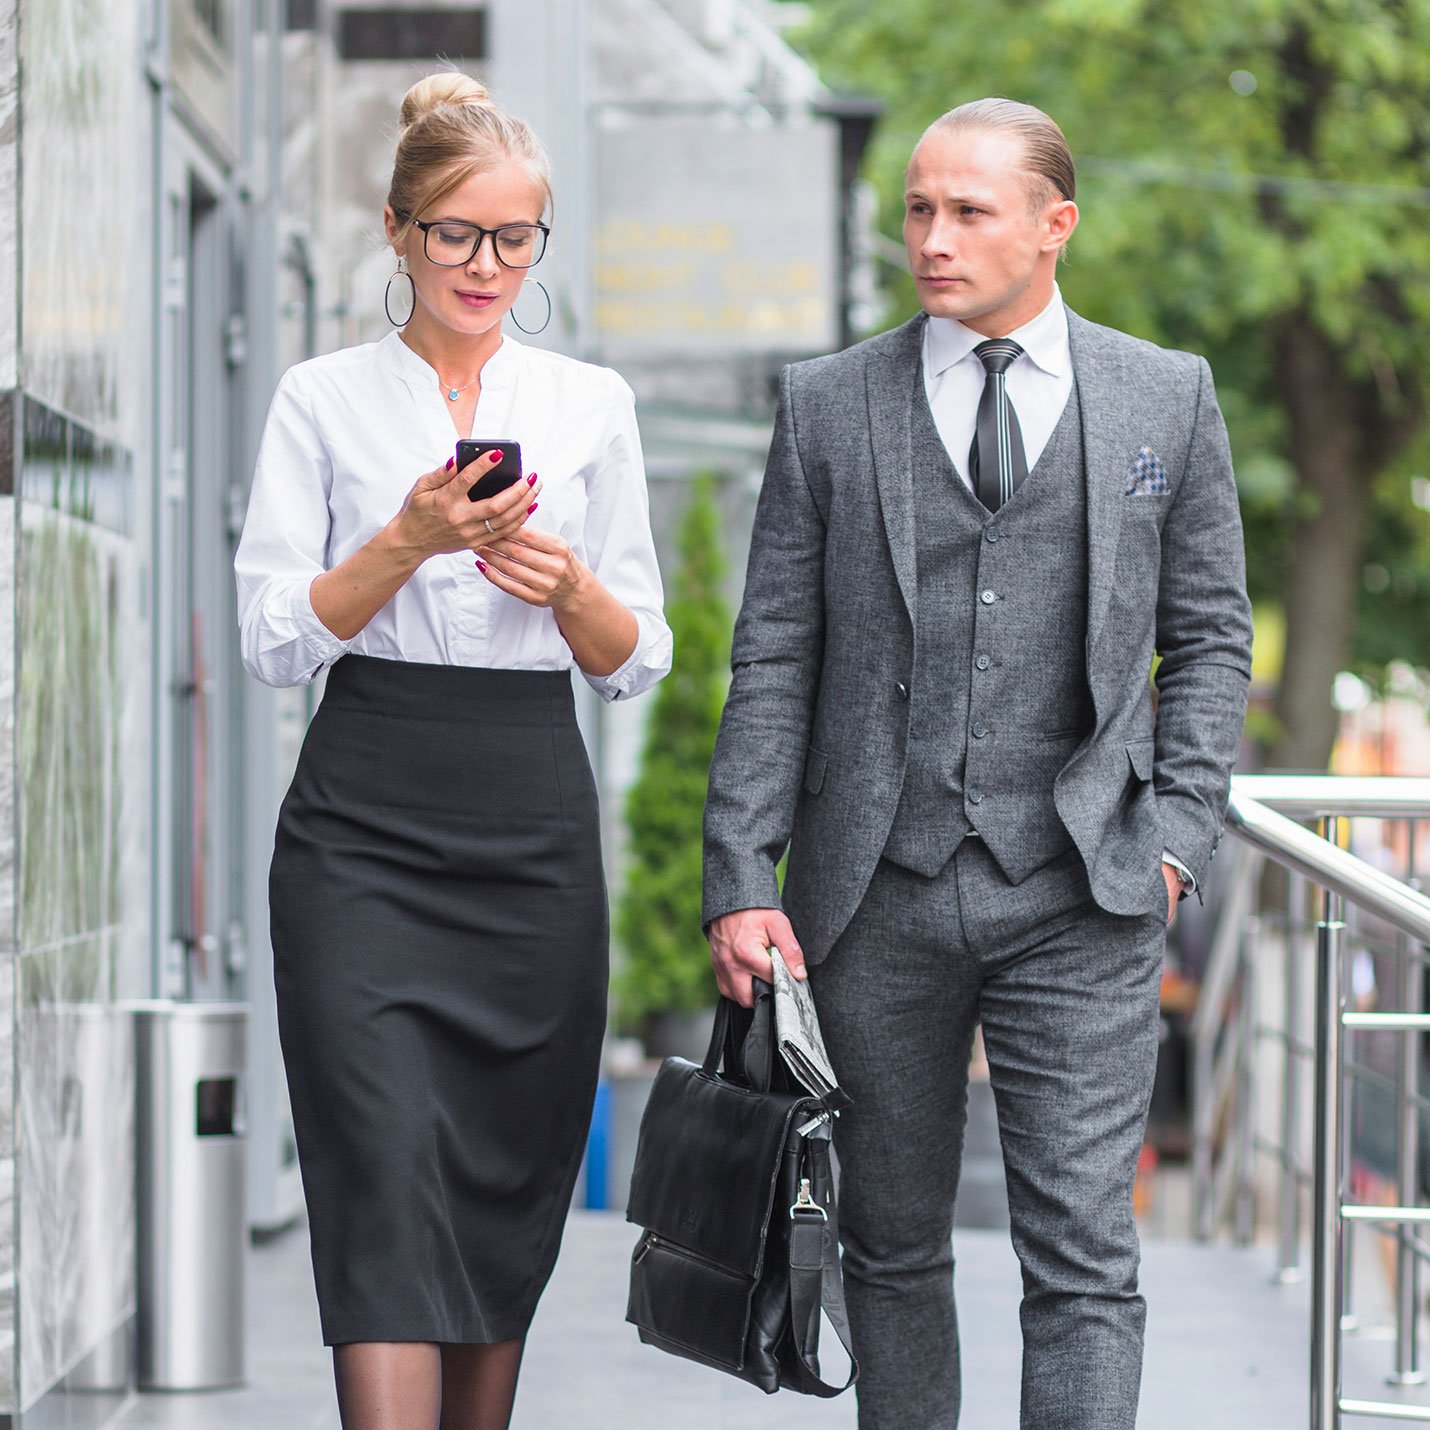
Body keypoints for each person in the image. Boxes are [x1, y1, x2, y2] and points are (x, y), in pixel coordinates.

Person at [702, 98, 1253, 1429]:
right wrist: (737, 871)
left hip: (1083, 885)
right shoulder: (828, 405)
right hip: (873, 889)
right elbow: (773, 648)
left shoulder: (1162, 397)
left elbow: (1208, 637)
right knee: (889, 1250)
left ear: (1053, 226)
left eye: (965, 211)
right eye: (915, 210)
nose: (929, 239)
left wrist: (1175, 832)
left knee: (1081, 1264)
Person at [235, 72, 671, 1430]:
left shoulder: (590, 402)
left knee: (500, 1172)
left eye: (513, 238)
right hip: (363, 818)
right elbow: (270, 637)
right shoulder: (321, 398)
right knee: (374, 1167)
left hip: (529, 820)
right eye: (453, 234)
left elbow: (636, 650)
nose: (484, 265)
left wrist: (562, 588)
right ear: (397, 230)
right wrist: (407, 541)